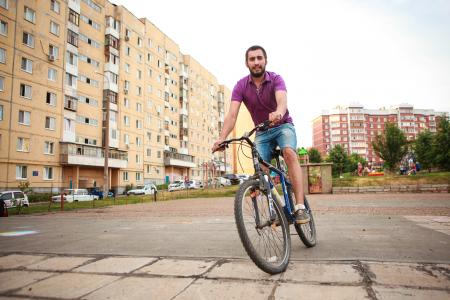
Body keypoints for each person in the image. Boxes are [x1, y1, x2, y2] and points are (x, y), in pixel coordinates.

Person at [212, 45, 310, 224]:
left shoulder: (276, 79)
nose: (256, 62)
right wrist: (221, 138)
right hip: (262, 132)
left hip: (283, 126)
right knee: (260, 173)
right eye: (252, 59)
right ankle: (280, 209)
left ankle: (300, 207)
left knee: (289, 153)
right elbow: (232, 114)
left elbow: (282, 101)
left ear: (265, 60)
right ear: (246, 63)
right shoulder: (240, 86)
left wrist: (278, 112)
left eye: (259, 58)